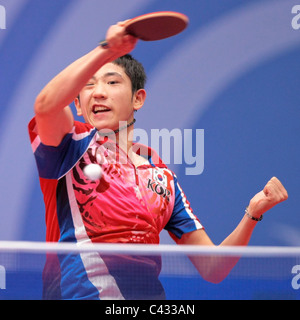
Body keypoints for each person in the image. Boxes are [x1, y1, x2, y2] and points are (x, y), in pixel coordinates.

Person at [28, 21, 288, 300]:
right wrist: (106, 50)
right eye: (88, 86)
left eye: (112, 82)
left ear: (138, 98)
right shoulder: (69, 145)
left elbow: (213, 267)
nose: (99, 92)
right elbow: (46, 105)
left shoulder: (160, 174)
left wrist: (253, 212)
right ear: (78, 104)